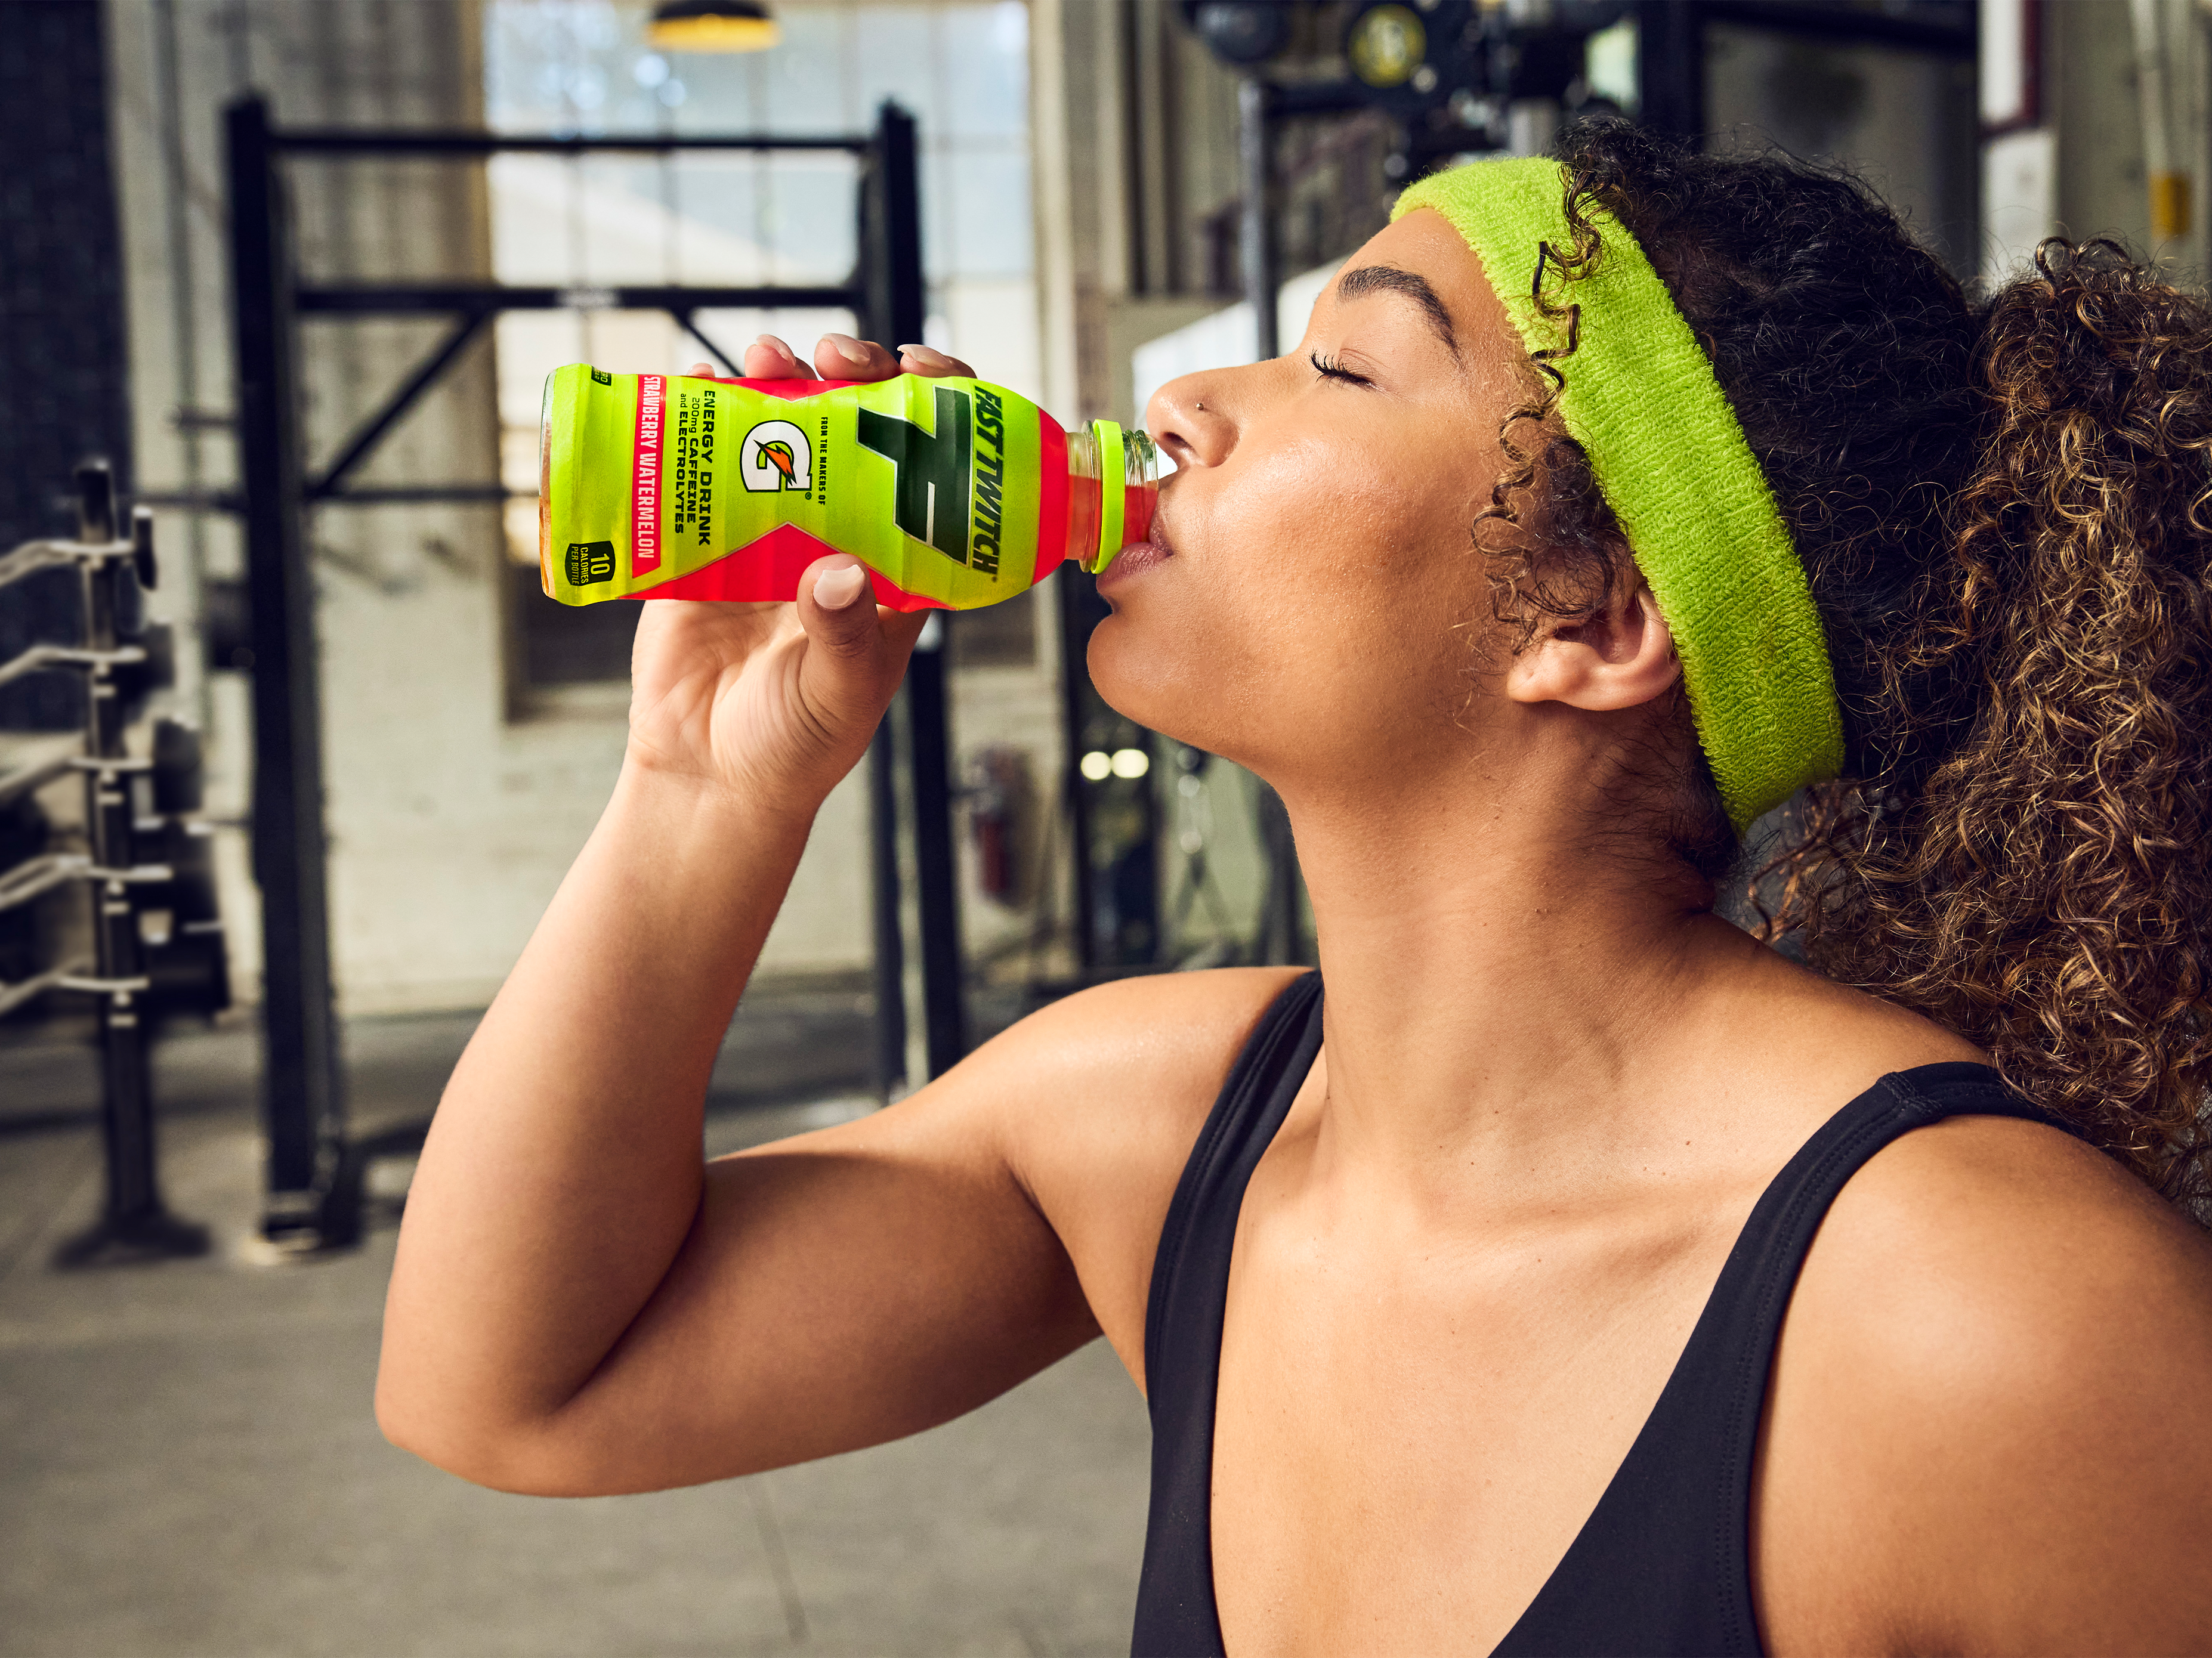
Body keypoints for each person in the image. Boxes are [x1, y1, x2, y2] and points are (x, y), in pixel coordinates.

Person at [377, 122, 2212, 1656]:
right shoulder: (1157, 1123)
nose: (1178, 401)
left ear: (1594, 619)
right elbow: (520, 1384)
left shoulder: (1979, 1316)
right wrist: (708, 779)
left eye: (1340, 361)